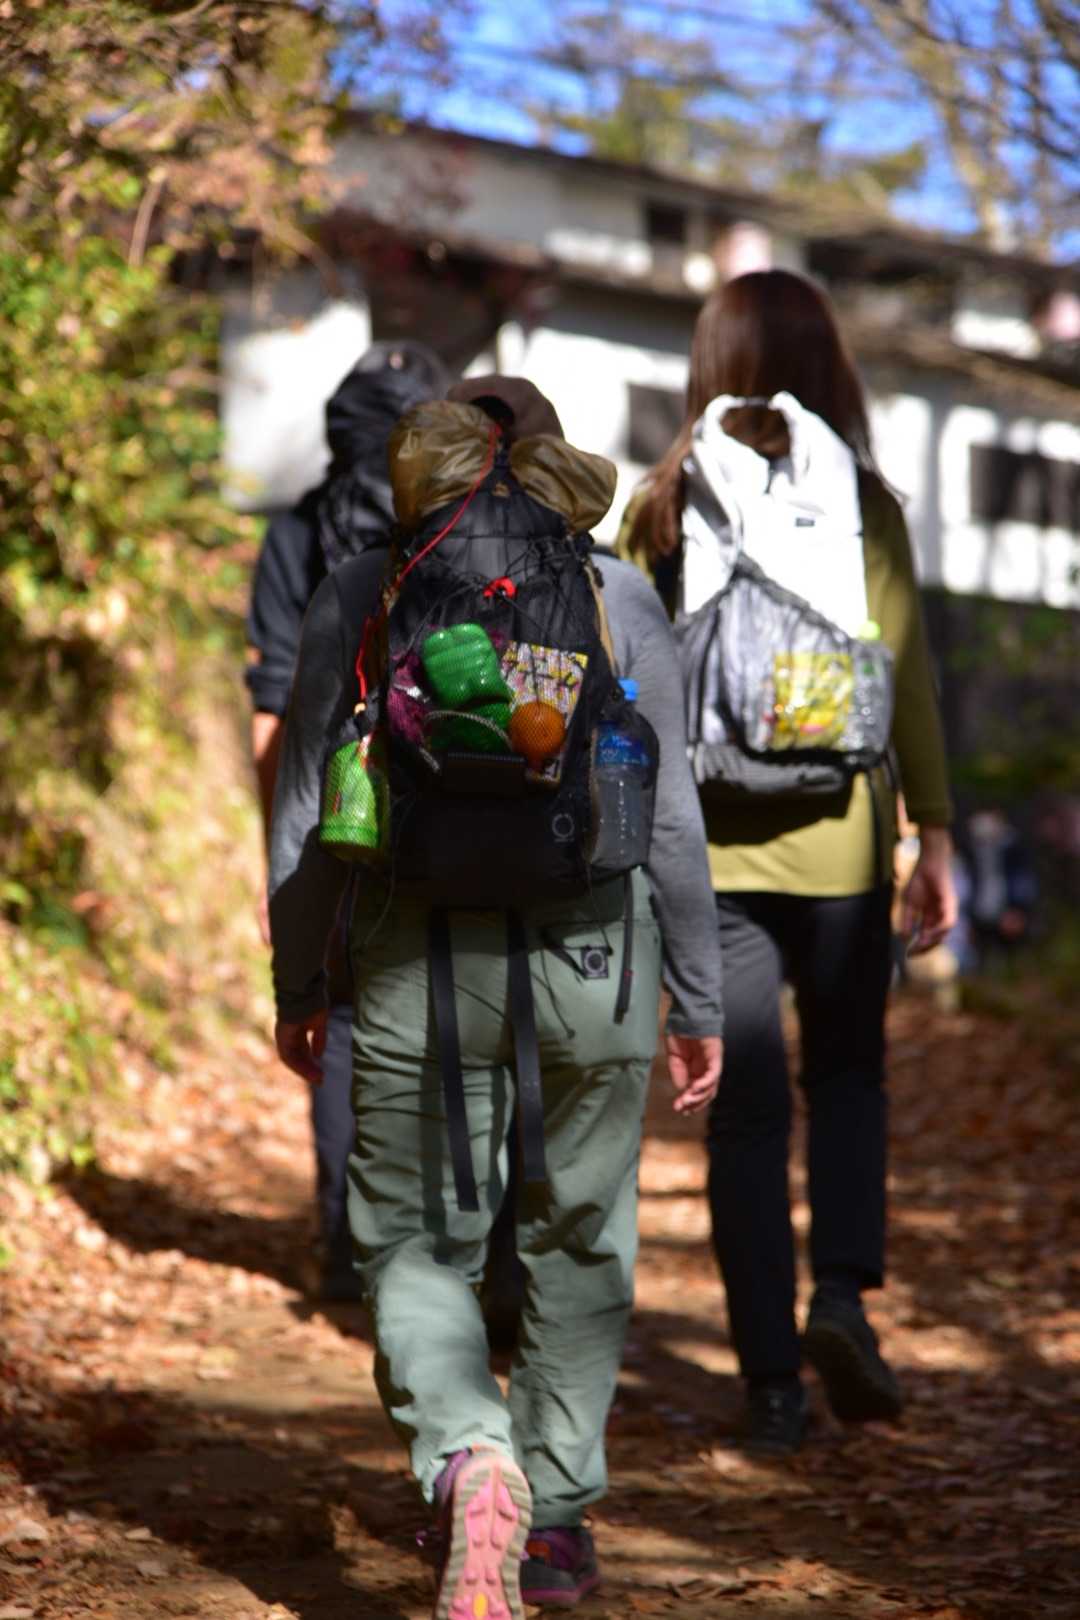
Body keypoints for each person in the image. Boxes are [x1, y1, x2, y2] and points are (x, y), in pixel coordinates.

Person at [268, 377, 723, 1616]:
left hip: (415, 956)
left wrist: (301, 979)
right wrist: (698, 999)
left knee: (416, 1240)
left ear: (429, 463)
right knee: (583, 1234)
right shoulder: (615, 594)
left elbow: (310, 806)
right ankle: (557, 1520)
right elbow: (670, 818)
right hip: (597, 961)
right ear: (557, 465)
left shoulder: (365, 590)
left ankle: (471, 1455)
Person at [624, 269, 957, 1456]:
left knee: (746, 1119)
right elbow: (906, 677)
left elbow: (633, 689)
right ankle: (843, 1300)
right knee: (851, 1081)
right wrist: (934, 833)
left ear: (708, 366)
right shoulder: (864, 503)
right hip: (845, 847)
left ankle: (771, 1382)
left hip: (710, 855)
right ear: (831, 369)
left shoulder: (662, 507)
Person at [246, 339, 449, 1300]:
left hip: (335, 809)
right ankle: (448, 1247)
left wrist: (279, 856)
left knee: (341, 1013)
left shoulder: (298, 532)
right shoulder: (450, 527)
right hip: (450, 808)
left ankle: (344, 1246)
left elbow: (272, 713)